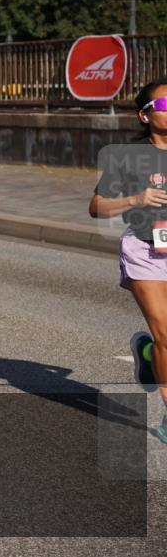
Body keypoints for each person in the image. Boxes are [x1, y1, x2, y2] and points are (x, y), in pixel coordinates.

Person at [90, 78, 167, 442]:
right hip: (144, 250)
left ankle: (147, 351)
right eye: (164, 106)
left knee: (162, 341)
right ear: (145, 115)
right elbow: (97, 207)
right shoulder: (128, 156)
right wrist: (136, 200)